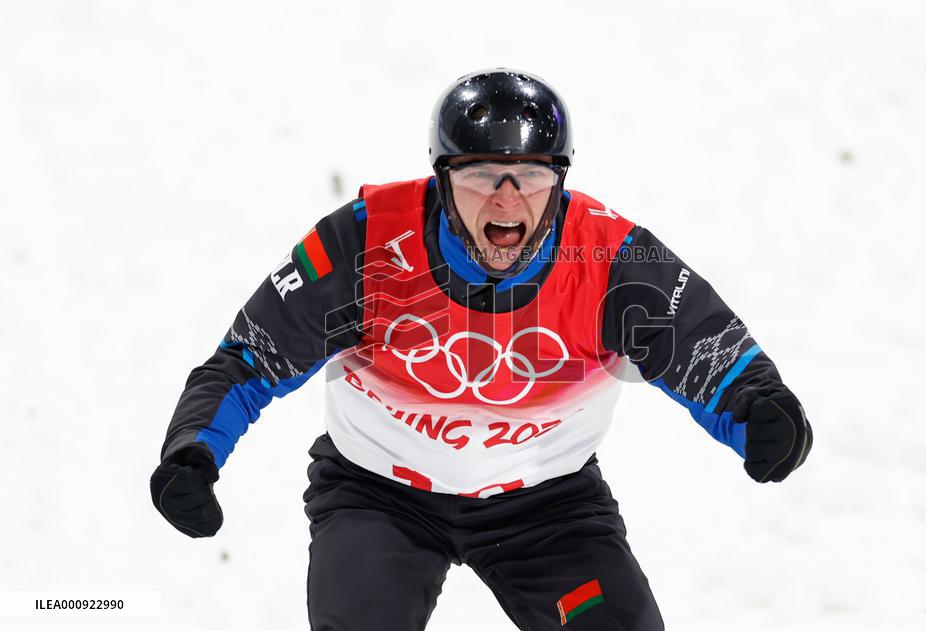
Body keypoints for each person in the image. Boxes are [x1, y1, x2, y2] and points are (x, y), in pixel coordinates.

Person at [151, 69, 812, 630]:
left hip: (546, 508)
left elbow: (708, 351)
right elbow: (248, 359)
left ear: (560, 182)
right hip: (378, 495)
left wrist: (760, 410)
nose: (506, 196)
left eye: (529, 175)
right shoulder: (365, 245)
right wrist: (194, 451)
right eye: (482, 175)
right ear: (441, 179)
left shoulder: (608, 257)